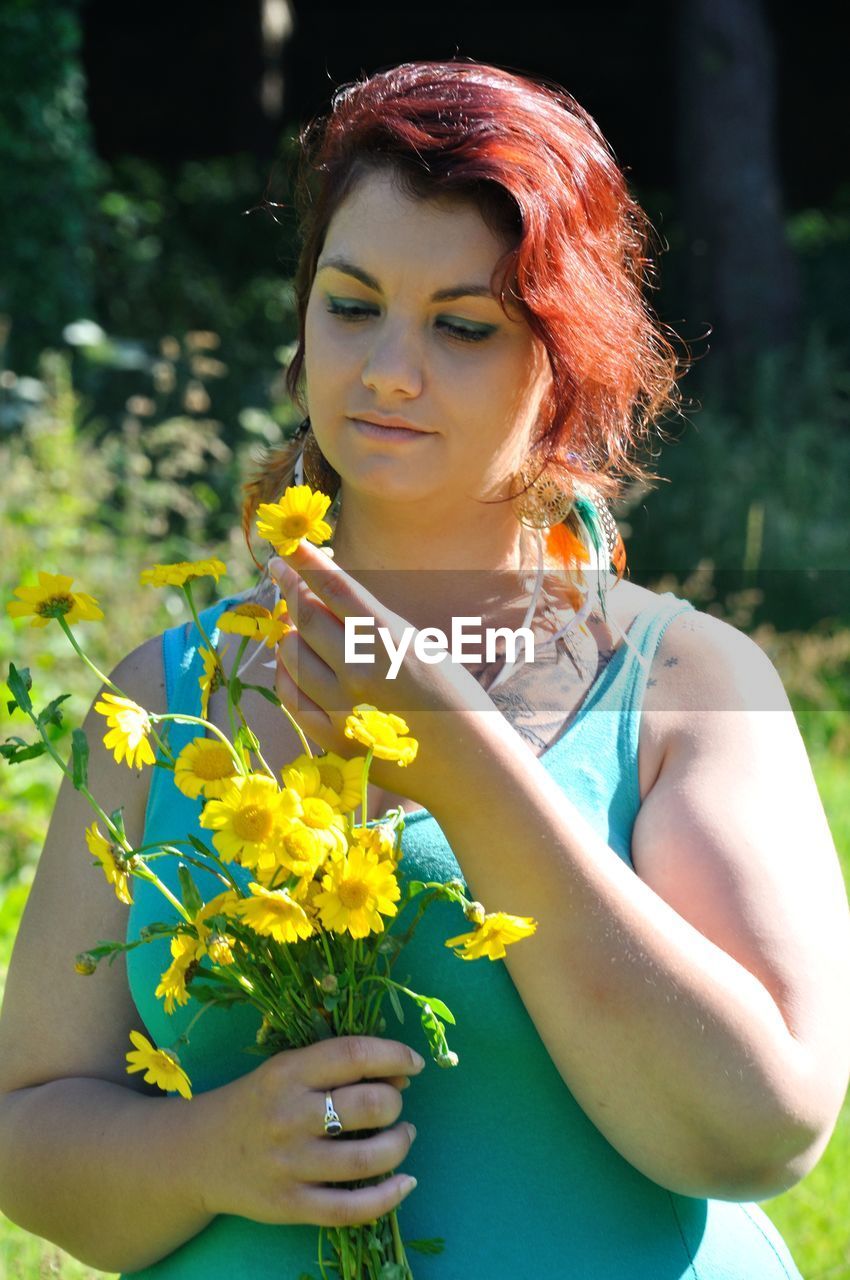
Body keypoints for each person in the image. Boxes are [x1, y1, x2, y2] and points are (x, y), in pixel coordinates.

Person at [1, 58, 848, 1280]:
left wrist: (461, 758)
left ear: (569, 356)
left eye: (462, 325)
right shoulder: (167, 695)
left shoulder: (680, 685)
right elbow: (30, 1131)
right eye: (350, 306)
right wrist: (206, 1153)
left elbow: (762, 1128)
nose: (388, 368)